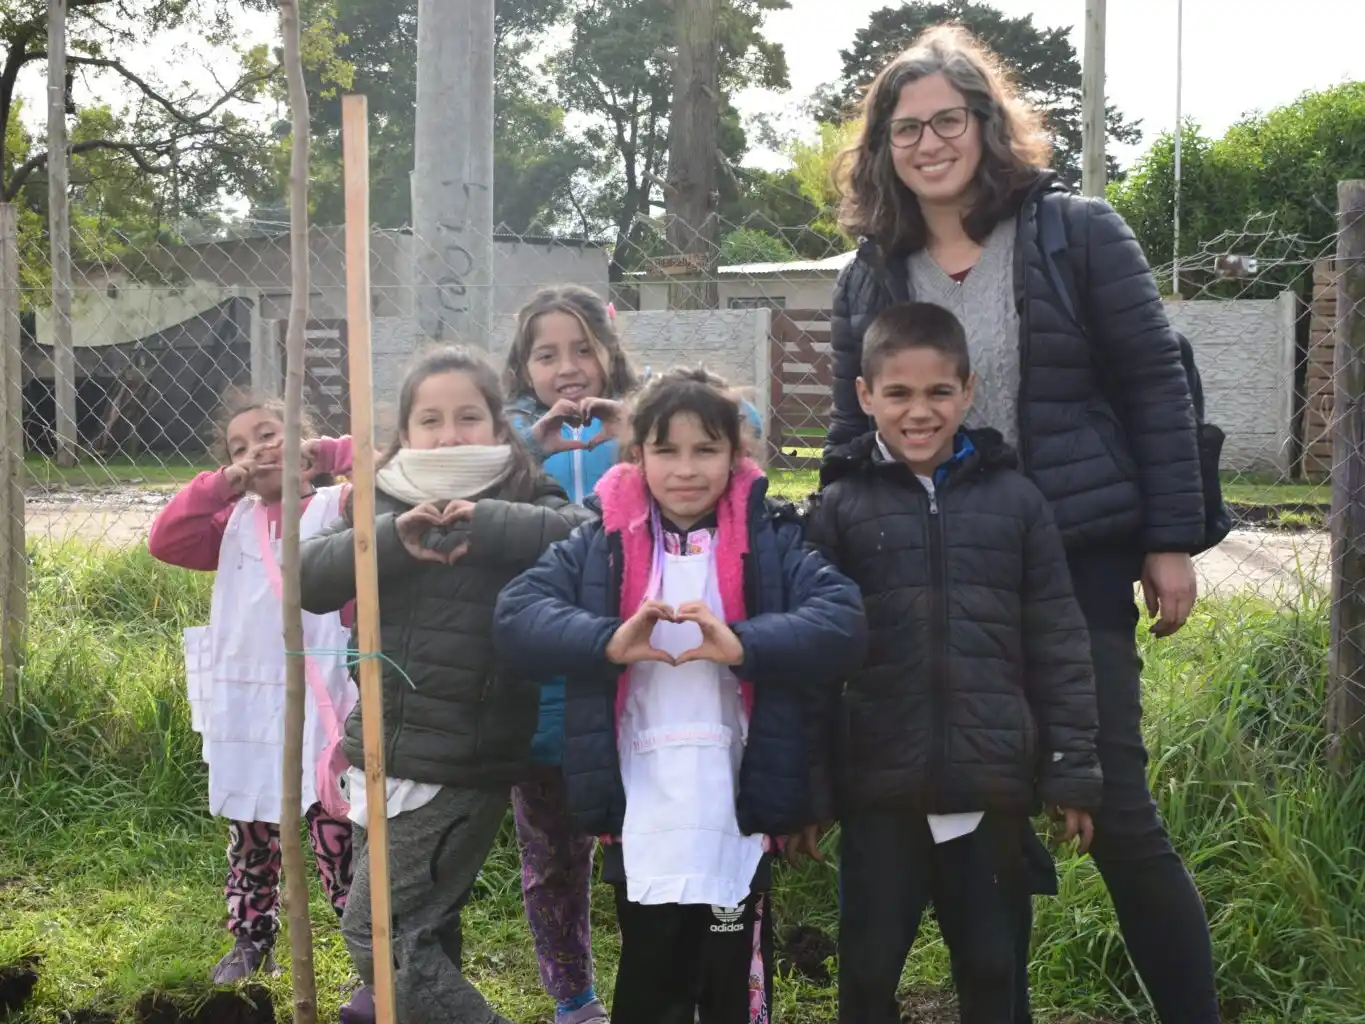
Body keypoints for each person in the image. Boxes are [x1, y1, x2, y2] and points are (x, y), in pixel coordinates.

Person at [825, 24, 1219, 1024]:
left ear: (985, 123)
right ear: (883, 148)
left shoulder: (1076, 233)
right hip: (938, 572)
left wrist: (1169, 536)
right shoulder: (868, 272)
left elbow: (1154, 385)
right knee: (995, 820)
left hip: (1076, 560)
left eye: (946, 118)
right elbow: (846, 429)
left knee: (1118, 810)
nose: (927, 141)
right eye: (904, 127)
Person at [494, 367, 866, 1024]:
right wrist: (608, 641)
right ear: (637, 456)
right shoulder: (596, 543)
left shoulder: (772, 540)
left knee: (729, 977)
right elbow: (516, 617)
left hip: (734, 798)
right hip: (640, 801)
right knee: (651, 967)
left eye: (705, 450)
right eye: (666, 450)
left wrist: (744, 644)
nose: (686, 469)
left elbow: (841, 622)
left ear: (735, 455)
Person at [809, 302, 1101, 1023]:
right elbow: (809, 668)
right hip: (879, 791)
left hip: (992, 787)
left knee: (993, 966)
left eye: (938, 392)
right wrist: (808, 790)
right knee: (869, 968)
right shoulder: (837, 510)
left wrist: (1069, 766)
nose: (919, 412)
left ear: (968, 391)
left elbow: (1058, 642)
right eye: (898, 394)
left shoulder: (1018, 504)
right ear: (865, 396)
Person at [299, 346, 596, 1024]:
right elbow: (309, 579)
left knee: (380, 934)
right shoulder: (387, 497)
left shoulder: (520, 491)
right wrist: (388, 540)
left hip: (463, 753)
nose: (449, 434)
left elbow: (586, 540)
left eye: (468, 417)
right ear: (404, 433)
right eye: (429, 420)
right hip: (382, 747)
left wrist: (485, 522)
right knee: (427, 928)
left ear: (500, 428)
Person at [147, 397, 361, 993]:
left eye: (269, 435)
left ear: (307, 446)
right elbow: (165, 541)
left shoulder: (335, 508)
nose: (256, 452)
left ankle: (361, 944)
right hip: (250, 704)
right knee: (251, 831)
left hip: (320, 701)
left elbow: (386, 477)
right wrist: (222, 485)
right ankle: (252, 935)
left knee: (334, 831)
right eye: (239, 448)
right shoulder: (230, 523)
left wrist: (334, 456)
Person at [503, 285, 637, 1024]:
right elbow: (448, 472)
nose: (568, 368)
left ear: (611, 353)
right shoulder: (505, 440)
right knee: (550, 852)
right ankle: (573, 998)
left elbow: (737, 432)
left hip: (633, 679)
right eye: (546, 354)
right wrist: (532, 447)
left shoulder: (643, 424)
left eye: (583, 348)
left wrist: (637, 425)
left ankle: (658, 976)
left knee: (634, 843)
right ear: (523, 368)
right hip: (540, 686)